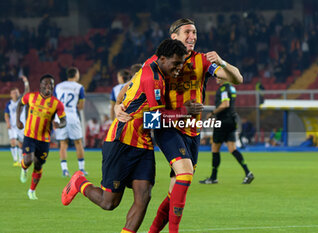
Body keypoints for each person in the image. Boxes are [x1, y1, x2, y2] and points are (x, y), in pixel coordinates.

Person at [115, 18, 243, 233]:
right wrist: (118, 104)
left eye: (194, 32)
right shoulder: (158, 61)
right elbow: (131, 85)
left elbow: (237, 78)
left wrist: (222, 61)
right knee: (184, 175)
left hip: (193, 131)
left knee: (177, 189)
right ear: (174, 35)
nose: (192, 36)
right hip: (168, 126)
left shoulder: (202, 61)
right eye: (187, 32)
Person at [61, 39, 198, 233]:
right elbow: (154, 120)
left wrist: (118, 103)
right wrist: (184, 110)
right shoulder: (153, 79)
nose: (179, 68)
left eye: (181, 63)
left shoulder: (151, 65)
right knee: (109, 203)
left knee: (143, 197)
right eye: (175, 64)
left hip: (144, 143)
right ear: (163, 59)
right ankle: (78, 182)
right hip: (121, 140)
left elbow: (126, 86)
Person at [17, 74, 66, 200]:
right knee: (28, 160)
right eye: (46, 83)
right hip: (29, 135)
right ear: (41, 85)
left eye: (51, 84)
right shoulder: (31, 96)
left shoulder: (57, 104)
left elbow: (64, 120)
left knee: (38, 165)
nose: (48, 86)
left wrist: (59, 125)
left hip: (44, 139)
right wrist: (18, 120)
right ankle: (24, 168)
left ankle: (32, 191)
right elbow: (20, 104)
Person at [199, 80, 254, 185]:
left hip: (223, 121)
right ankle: (248, 172)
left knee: (215, 148)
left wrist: (212, 113)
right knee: (232, 149)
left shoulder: (223, 89)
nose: (216, 78)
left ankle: (213, 177)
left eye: (219, 76)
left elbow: (225, 104)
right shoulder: (232, 88)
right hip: (232, 121)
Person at [53, 67, 87, 177]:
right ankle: (81, 169)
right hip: (72, 116)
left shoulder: (58, 86)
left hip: (60, 116)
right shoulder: (79, 87)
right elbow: (81, 106)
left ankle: (65, 170)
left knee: (63, 143)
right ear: (76, 75)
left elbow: (53, 103)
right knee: (78, 142)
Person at [4, 76, 30, 167]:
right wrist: (7, 122)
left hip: (22, 126)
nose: (15, 94)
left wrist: (26, 82)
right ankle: (15, 160)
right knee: (13, 141)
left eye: (17, 92)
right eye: (13, 92)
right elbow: (6, 114)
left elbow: (27, 92)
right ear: (10, 95)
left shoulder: (21, 101)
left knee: (20, 144)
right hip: (12, 126)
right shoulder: (9, 104)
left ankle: (20, 160)